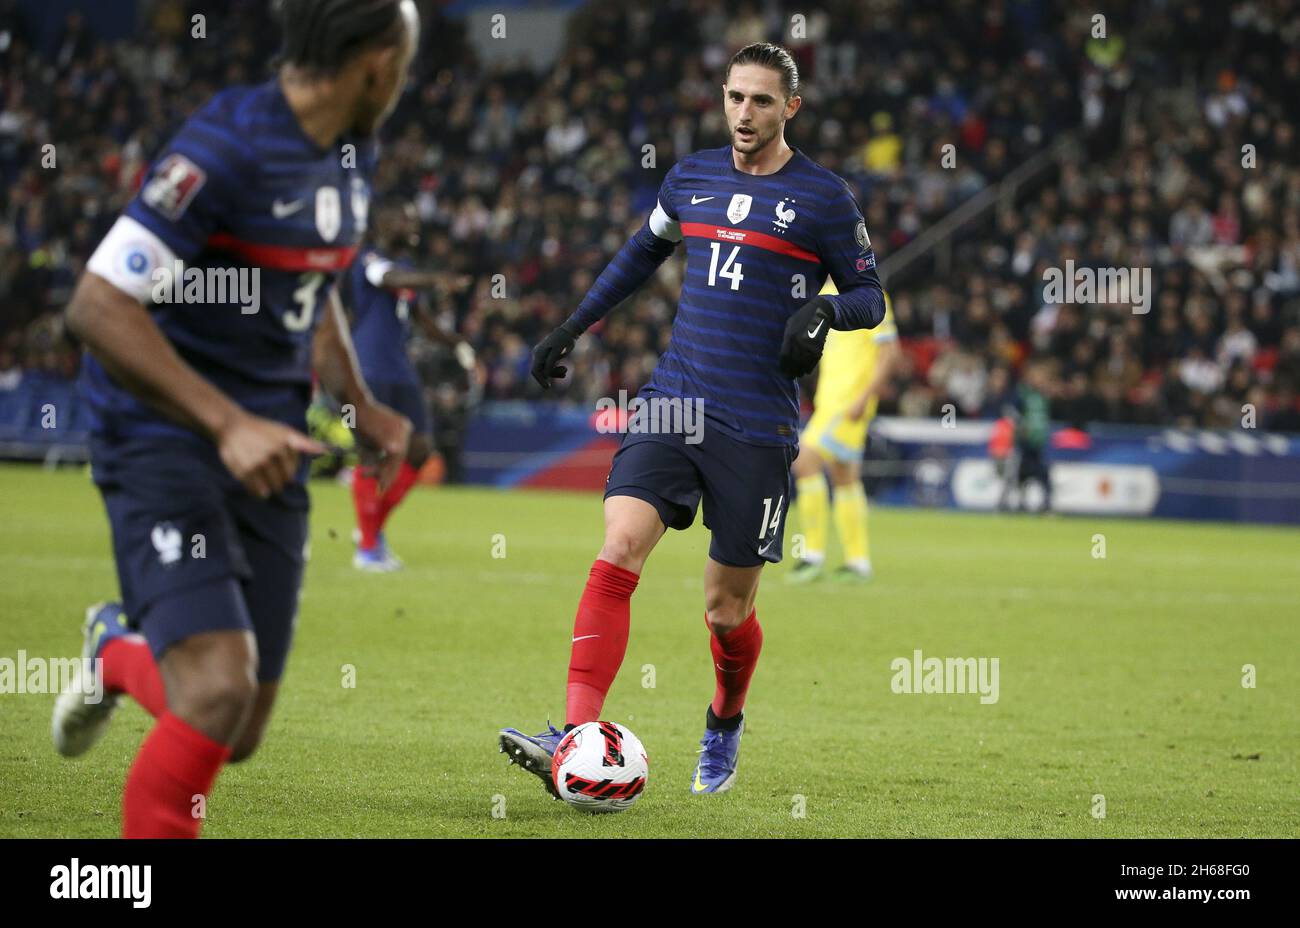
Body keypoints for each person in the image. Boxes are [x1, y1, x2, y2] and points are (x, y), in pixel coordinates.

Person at [51, 0, 421, 838]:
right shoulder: (226, 147)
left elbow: (313, 280)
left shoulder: (347, 156)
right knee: (213, 692)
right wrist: (225, 423)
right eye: (405, 59)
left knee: (240, 726)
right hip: (164, 430)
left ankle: (116, 649)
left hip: (270, 433)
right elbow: (97, 305)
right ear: (375, 62)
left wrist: (359, 404)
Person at [500, 42, 885, 796]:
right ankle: (576, 735)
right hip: (676, 398)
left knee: (724, 609)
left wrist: (826, 310)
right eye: (735, 97)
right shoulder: (692, 177)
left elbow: (872, 296)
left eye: (762, 101)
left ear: (791, 109)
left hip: (757, 424)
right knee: (618, 547)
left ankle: (724, 718)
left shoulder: (824, 198)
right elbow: (640, 256)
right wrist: (572, 328)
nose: (745, 112)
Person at [346, 201, 474, 571]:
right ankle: (367, 548)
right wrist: (437, 279)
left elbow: (425, 324)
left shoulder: (407, 272)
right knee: (372, 453)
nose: (412, 222)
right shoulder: (368, 259)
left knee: (420, 450)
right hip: (367, 368)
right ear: (383, 225)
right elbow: (387, 280)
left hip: (400, 370)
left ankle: (372, 529)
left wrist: (459, 346)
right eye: (404, 217)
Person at [788, 284, 899, 582]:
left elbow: (889, 352)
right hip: (830, 402)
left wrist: (865, 397)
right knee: (844, 477)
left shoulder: (870, 294)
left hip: (849, 403)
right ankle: (858, 562)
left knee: (805, 462)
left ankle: (812, 555)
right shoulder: (824, 292)